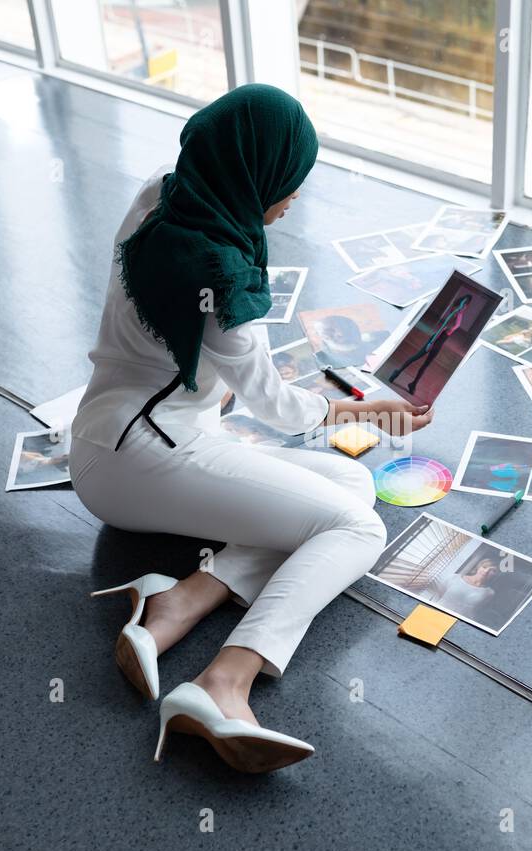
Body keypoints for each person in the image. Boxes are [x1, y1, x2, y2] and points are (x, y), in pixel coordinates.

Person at [69, 86, 433, 774]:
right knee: (358, 529)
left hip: (112, 433)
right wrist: (370, 410)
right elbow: (280, 408)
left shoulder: (167, 193)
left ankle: (177, 600)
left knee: (353, 480)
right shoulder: (222, 276)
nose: (292, 197)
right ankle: (222, 681)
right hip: (144, 457)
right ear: (255, 171)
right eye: (288, 180)